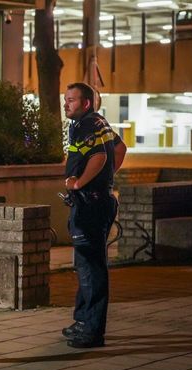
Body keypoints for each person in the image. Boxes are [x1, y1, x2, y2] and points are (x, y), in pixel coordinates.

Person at [61, 82, 127, 348]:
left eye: (71, 100)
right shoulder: (100, 122)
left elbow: (99, 157)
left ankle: (91, 330)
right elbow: (120, 150)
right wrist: (106, 179)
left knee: (91, 268)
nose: (66, 104)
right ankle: (82, 320)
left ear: (86, 103)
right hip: (99, 200)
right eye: (65, 99)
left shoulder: (86, 125)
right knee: (86, 264)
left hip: (90, 204)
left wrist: (79, 182)